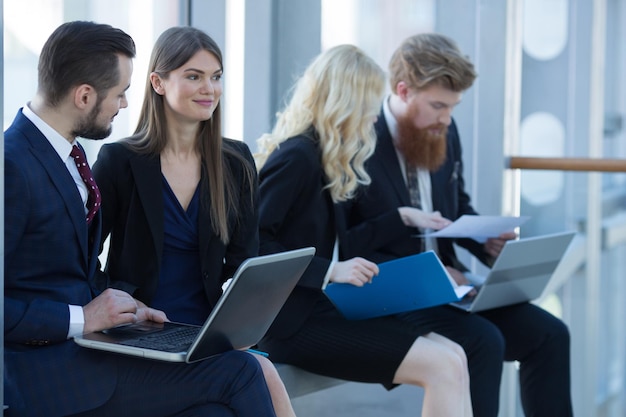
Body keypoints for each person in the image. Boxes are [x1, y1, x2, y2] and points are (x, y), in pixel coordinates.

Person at [4, 21, 277, 417]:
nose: (125, 104)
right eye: (120, 93)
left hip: (113, 344)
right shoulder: (15, 166)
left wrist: (124, 307)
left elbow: (74, 267)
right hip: (50, 373)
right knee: (243, 374)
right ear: (84, 96)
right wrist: (84, 318)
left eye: (215, 77)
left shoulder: (64, 160)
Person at [340, 33, 573, 417]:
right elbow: (347, 242)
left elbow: (456, 205)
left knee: (550, 334)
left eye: (452, 107)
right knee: (483, 341)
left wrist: (485, 242)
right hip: (390, 290)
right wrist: (423, 262)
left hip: (451, 286)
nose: (446, 118)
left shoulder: (443, 129)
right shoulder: (359, 139)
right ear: (403, 90)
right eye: (437, 106)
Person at [255, 44, 474, 417]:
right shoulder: (297, 157)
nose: (376, 117)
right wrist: (329, 270)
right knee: (442, 366)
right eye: (370, 104)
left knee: (454, 356)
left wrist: (400, 218)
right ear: (347, 102)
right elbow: (252, 246)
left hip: (323, 309)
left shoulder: (329, 156)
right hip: (291, 324)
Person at [91, 26, 295, 417]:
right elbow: (83, 255)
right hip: (139, 334)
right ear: (158, 83)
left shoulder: (235, 162)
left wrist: (242, 323)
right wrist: (122, 301)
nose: (210, 89)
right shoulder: (119, 162)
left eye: (216, 77)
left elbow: (243, 266)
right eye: (194, 76)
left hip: (207, 337)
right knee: (257, 375)